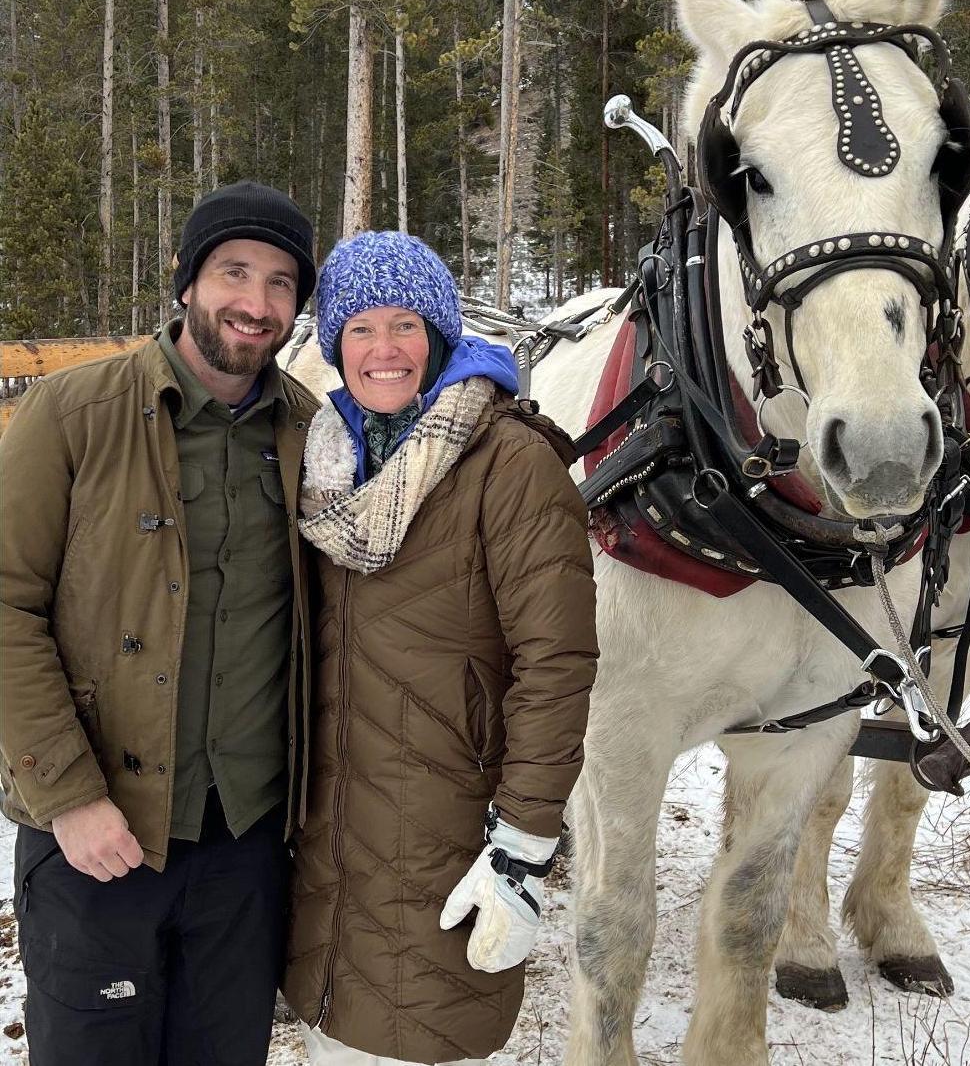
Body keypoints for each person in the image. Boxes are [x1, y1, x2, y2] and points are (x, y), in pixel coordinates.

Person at [0, 181, 320, 1064]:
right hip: (97, 838)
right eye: (234, 272)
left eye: (282, 283)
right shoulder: (73, 413)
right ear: (185, 280)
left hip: (247, 847)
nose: (256, 304)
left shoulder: (311, 433)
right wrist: (68, 795)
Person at [281, 231, 599, 1066]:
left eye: (406, 325)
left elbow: (554, 666)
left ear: (443, 334)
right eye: (359, 328)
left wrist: (522, 849)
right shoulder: (323, 459)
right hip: (330, 845)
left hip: (446, 842)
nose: (383, 350)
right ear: (333, 343)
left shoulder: (511, 463)